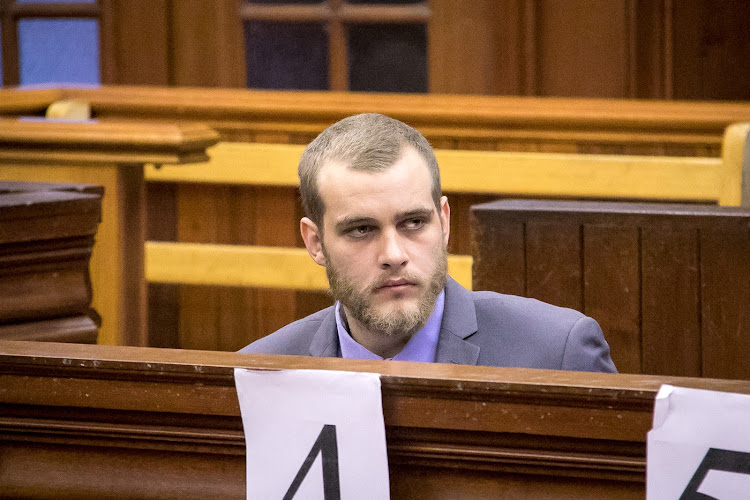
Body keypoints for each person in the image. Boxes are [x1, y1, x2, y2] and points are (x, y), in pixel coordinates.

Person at [240, 113, 616, 373]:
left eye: (414, 223)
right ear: (316, 242)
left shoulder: (557, 352)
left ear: (445, 221)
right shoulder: (258, 371)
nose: (394, 255)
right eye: (361, 230)